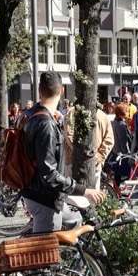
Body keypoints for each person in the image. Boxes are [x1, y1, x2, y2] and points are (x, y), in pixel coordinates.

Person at [19, 71, 105, 233]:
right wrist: (84, 190)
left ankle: (74, 255)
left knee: (75, 219)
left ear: (39, 90)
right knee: (45, 254)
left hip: (35, 190)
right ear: (62, 91)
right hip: (44, 198)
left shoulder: (28, 114)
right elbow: (49, 175)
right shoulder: (46, 125)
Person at [64, 106, 114, 189]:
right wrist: (98, 156)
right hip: (95, 163)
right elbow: (109, 140)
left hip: (74, 161)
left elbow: (69, 135)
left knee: (74, 197)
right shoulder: (103, 116)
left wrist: (85, 155)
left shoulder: (72, 112)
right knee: (93, 196)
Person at [108, 103, 133, 185]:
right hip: (122, 154)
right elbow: (123, 141)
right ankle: (118, 190)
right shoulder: (121, 125)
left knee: (117, 173)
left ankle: (117, 190)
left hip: (115, 151)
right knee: (123, 173)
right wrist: (128, 153)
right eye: (126, 111)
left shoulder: (113, 122)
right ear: (122, 113)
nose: (127, 113)